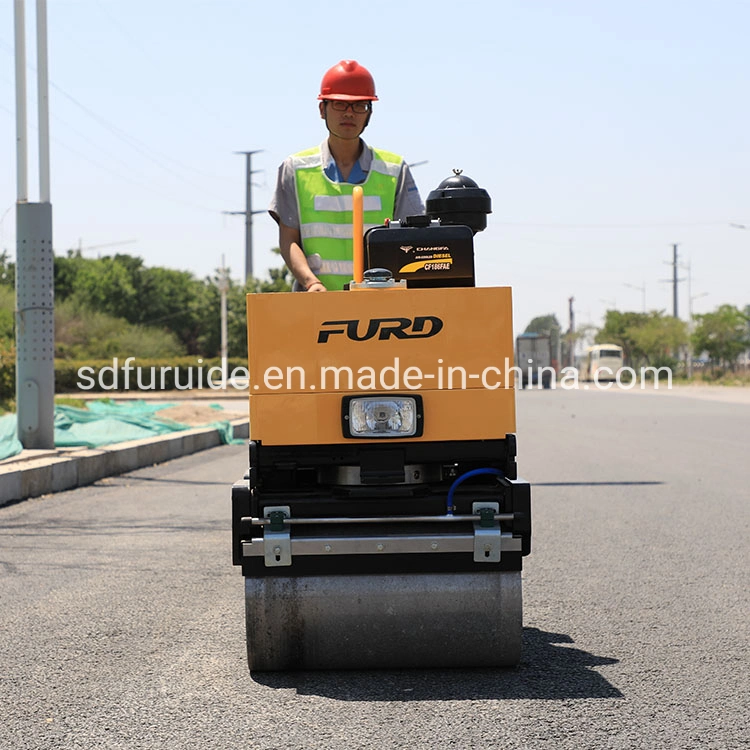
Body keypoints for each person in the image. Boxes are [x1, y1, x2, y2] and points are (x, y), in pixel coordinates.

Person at [268, 60, 424, 292]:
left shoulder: (395, 170)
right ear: (322, 109)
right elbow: (288, 239)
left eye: (359, 105)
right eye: (340, 105)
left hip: (380, 304)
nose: (349, 113)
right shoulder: (295, 168)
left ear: (369, 113)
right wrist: (312, 283)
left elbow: (412, 241)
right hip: (317, 305)